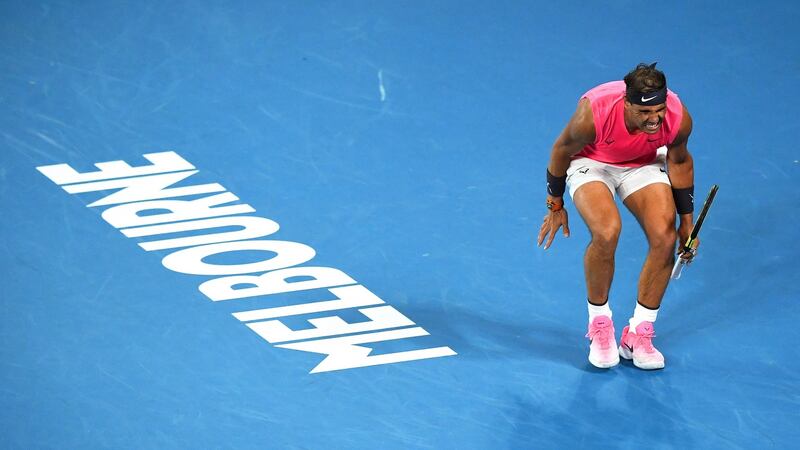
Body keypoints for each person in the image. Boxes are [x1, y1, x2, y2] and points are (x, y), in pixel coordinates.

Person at [537, 63, 697, 370]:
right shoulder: (592, 114)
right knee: (607, 232)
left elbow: (680, 162)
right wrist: (555, 206)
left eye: (659, 111)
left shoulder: (677, 118)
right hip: (592, 162)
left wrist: (686, 224)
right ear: (626, 103)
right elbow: (560, 151)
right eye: (645, 112)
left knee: (664, 237)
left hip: (643, 164)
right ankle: (600, 325)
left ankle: (640, 332)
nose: (654, 120)